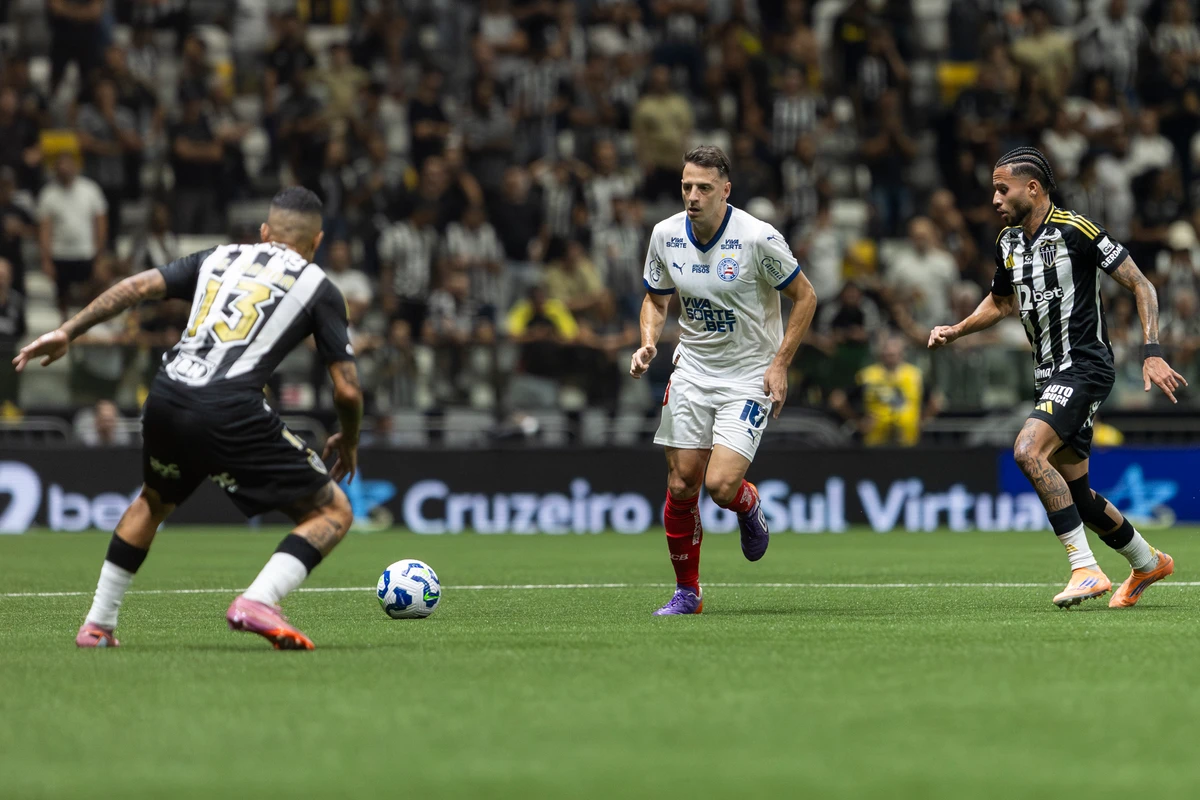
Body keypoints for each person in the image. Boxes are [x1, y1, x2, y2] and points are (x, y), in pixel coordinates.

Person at [13, 187, 362, 650]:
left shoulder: (218, 257)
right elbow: (348, 388)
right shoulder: (319, 286)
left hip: (167, 396)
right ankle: (259, 599)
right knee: (332, 509)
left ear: (263, 232)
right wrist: (350, 440)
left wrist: (67, 330)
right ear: (316, 242)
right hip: (229, 407)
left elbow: (136, 287)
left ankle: (97, 625)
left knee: (152, 502)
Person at [929, 147, 1185, 609]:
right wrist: (958, 329)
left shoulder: (1077, 230)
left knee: (1027, 450)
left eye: (1002, 188)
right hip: (1048, 374)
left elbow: (1141, 284)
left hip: (1085, 365)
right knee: (1078, 496)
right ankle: (1148, 562)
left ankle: (1084, 568)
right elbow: (1002, 302)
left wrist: (1151, 350)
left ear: (1033, 188)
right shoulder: (1007, 242)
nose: (994, 199)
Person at [630, 145, 818, 616]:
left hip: (747, 377)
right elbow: (655, 298)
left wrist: (780, 363)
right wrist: (649, 341)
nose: (692, 196)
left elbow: (806, 296)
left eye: (704, 188)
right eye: (686, 186)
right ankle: (688, 593)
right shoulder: (665, 234)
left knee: (720, 484)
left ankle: (748, 504)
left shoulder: (757, 238)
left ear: (725, 191)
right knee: (680, 485)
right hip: (692, 369)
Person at [829, 335, 942, 446]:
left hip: (908, 440)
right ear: (881, 355)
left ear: (902, 354)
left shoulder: (914, 376)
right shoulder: (868, 376)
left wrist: (921, 421)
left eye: (893, 354)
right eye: (887, 354)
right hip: (875, 441)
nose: (890, 358)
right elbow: (837, 399)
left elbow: (937, 401)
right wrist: (858, 422)